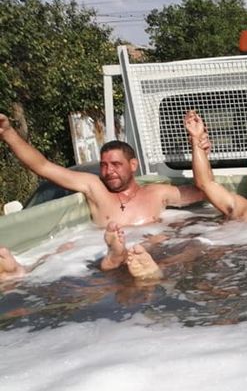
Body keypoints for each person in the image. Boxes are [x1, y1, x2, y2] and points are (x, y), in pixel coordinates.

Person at [0, 112, 207, 277]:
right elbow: (43, 167)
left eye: (116, 164)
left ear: (133, 165)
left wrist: (197, 143)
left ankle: (123, 257)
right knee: (65, 248)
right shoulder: (95, 187)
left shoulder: (157, 192)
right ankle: (21, 271)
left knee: (189, 246)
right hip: (97, 254)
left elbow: (203, 189)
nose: (108, 171)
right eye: (104, 165)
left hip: (149, 253)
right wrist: (8, 133)